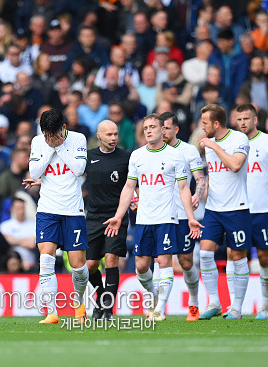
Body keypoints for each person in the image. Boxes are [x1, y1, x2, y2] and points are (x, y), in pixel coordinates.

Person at [104, 114, 203, 321]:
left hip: (167, 217)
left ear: (162, 130)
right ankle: (154, 298)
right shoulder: (137, 156)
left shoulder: (175, 156)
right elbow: (129, 187)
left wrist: (190, 217)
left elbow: (183, 187)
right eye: (145, 127)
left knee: (165, 261)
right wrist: (118, 216)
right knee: (141, 266)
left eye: (152, 127)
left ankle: (159, 310)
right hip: (143, 218)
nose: (148, 130)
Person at [23, 109, 89, 324]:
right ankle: (51, 312)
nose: (49, 138)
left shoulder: (78, 138)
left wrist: (59, 147)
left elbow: (79, 169)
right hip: (47, 208)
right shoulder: (38, 141)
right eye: (46, 134)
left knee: (78, 266)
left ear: (64, 128)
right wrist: (50, 148)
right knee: (45, 258)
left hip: (73, 210)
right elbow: (34, 173)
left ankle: (79, 304)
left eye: (53, 134)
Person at [234, 104, 268, 319]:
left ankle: (265, 306)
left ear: (255, 120)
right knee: (236, 256)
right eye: (239, 119)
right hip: (237, 210)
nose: (242, 123)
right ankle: (236, 307)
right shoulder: (231, 143)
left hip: (263, 210)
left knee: (265, 259)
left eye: (246, 119)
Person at [198, 104, 252, 320]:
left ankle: (237, 308)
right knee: (204, 253)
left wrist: (214, 146)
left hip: (237, 208)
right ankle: (214, 302)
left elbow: (236, 165)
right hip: (213, 209)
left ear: (216, 124)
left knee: (238, 257)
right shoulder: (209, 145)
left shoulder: (239, 139)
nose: (202, 127)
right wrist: (199, 193)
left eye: (205, 123)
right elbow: (214, 175)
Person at [159, 111, 207, 321]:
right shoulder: (149, 151)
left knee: (186, 262)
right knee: (160, 261)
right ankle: (157, 307)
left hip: (181, 215)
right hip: (157, 216)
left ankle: (194, 302)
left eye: (167, 128)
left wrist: (198, 193)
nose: (163, 132)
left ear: (176, 129)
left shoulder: (189, 151)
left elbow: (200, 177)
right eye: (160, 128)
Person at [83, 120, 130, 321]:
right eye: (109, 134)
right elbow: (68, 176)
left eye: (115, 134)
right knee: (91, 265)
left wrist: (135, 200)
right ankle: (102, 297)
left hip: (116, 216)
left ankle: (107, 309)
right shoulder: (88, 157)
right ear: (99, 135)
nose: (113, 138)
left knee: (111, 260)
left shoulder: (126, 158)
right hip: (93, 217)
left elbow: (133, 184)